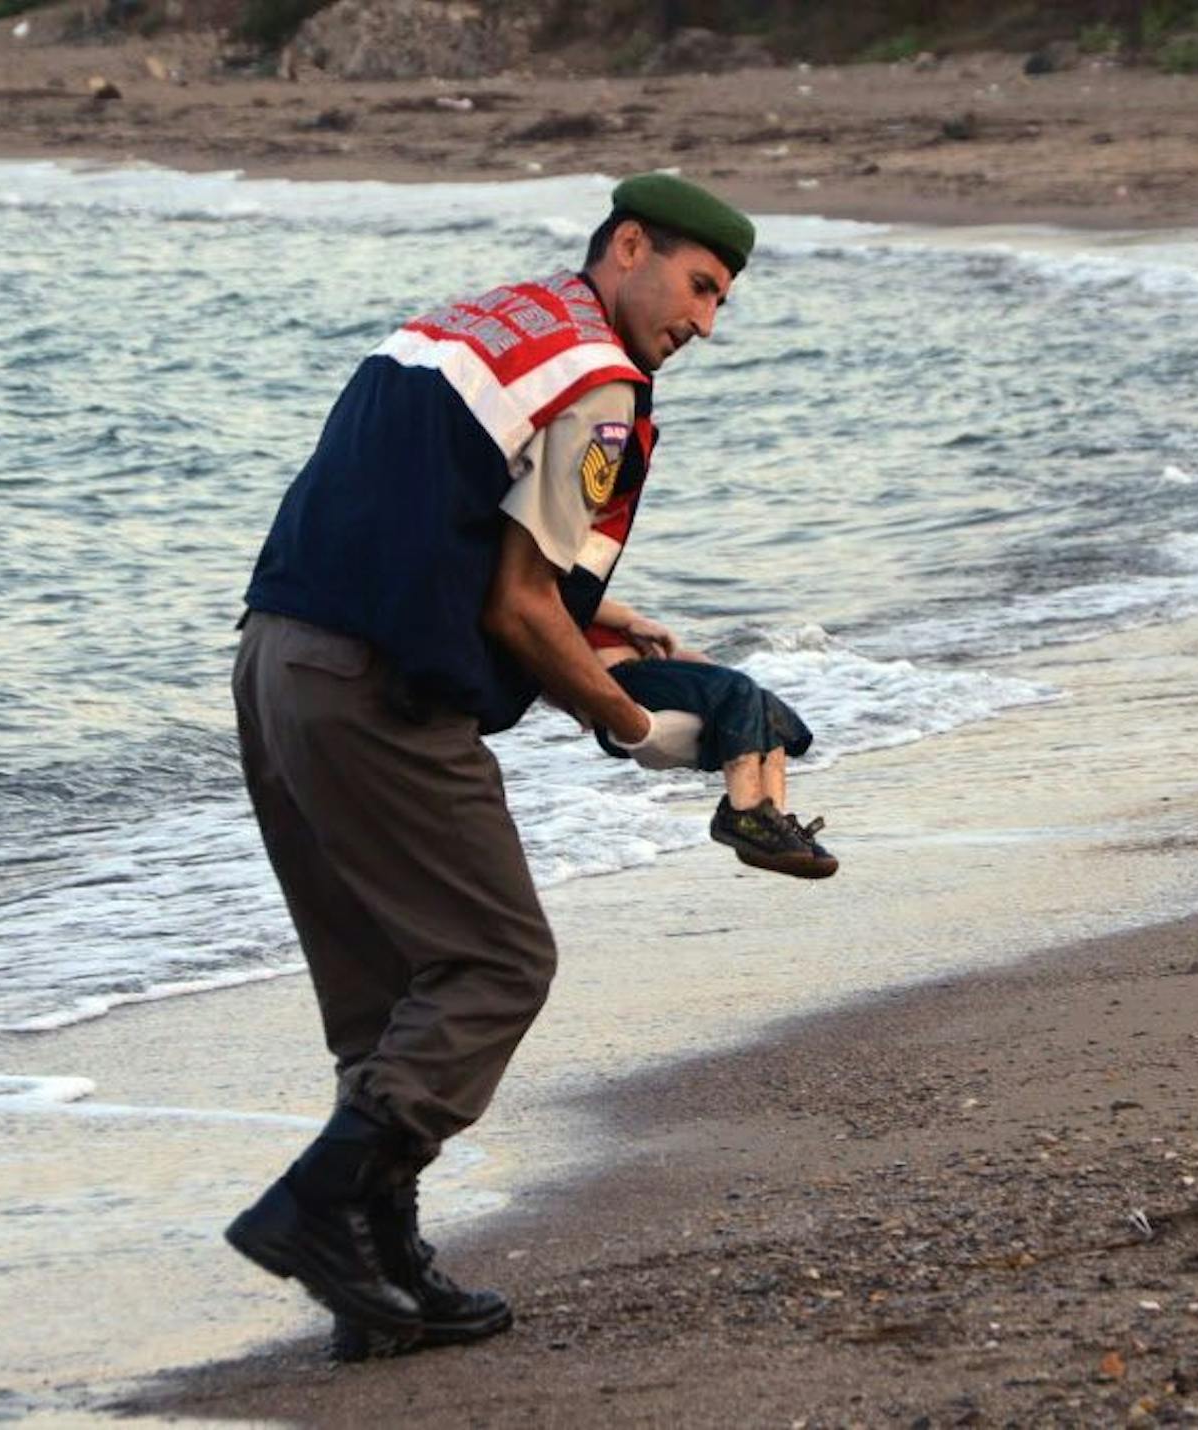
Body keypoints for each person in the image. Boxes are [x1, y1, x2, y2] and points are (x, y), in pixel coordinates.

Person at [224, 173, 759, 1359]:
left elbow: (434, 520)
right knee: (496, 960)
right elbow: (520, 610)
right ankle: (317, 1207)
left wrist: (606, 622)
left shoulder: (483, 318)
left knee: (381, 993)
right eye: (700, 286)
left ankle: (376, 1279)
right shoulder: (605, 388)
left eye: (723, 302)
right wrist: (631, 725)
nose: (705, 325)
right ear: (630, 245)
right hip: (375, 692)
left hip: (275, 662)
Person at [586, 594, 836, 879]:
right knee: (738, 688)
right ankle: (742, 815)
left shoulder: (602, 614)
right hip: (618, 679)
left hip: (647, 674)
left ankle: (771, 825)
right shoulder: (561, 593)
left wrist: (679, 657)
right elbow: (575, 596)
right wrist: (634, 620)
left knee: (764, 707)